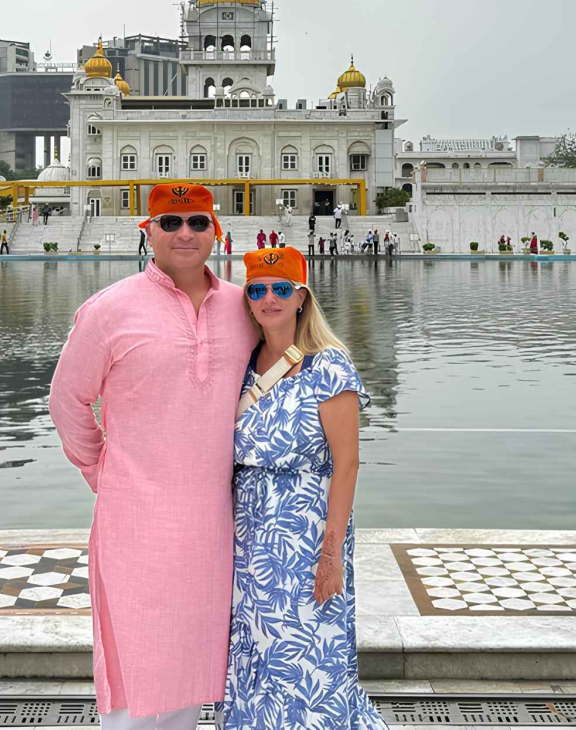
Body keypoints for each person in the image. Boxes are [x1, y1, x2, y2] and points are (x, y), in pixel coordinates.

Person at [51, 183, 256, 729]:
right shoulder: (110, 309)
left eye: (196, 222)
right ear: (148, 232)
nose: (184, 234)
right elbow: (67, 400)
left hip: (215, 520)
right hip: (135, 518)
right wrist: (103, 471)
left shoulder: (245, 309)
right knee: (137, 661)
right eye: (170, 223)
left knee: (192, 656)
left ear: (216, 231)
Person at [224, 247, 383, 728]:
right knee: (256, 653)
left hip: (306, 536)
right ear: (248, 300)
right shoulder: (241, 367)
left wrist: (331, 554)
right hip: (249, 538)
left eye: (280, 288)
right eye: (257, 289)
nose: (268, 298)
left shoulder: (328, 367)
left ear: (301, 297)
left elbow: (348, 466)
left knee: (311, 653)